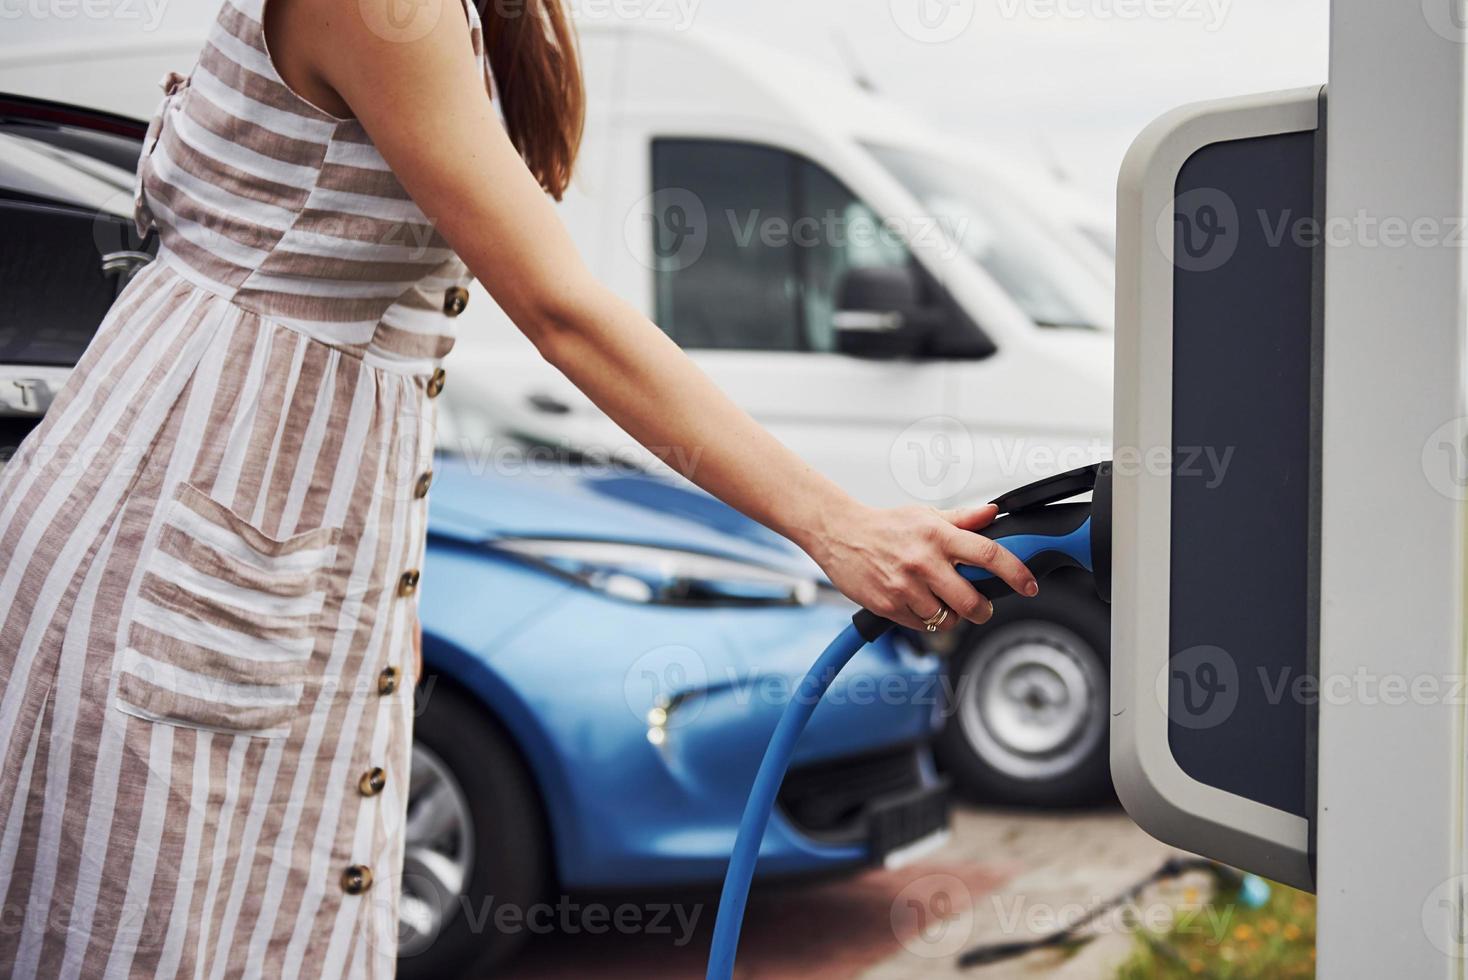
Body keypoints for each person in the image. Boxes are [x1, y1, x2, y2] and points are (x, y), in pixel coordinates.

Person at [0, 0, 1038, 973]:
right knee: (149, 929)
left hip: (272, 540)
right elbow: (558, 309)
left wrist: (380, 588)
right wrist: (835, 523)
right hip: (177, 522)